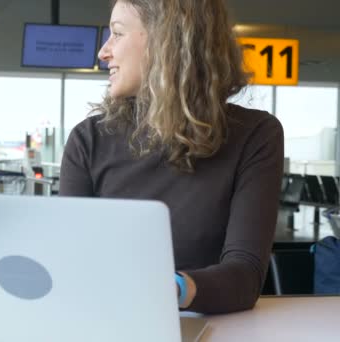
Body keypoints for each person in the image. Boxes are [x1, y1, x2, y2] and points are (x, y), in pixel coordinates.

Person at [60, 0, 284, 314]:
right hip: (105, 321)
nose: (103, 52)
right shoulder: (88, 140)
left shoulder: (256, 135)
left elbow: (245, 276)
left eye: (117, 34)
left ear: (166, 40)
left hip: (206, 326)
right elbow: (67, 263)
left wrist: (171, 289)